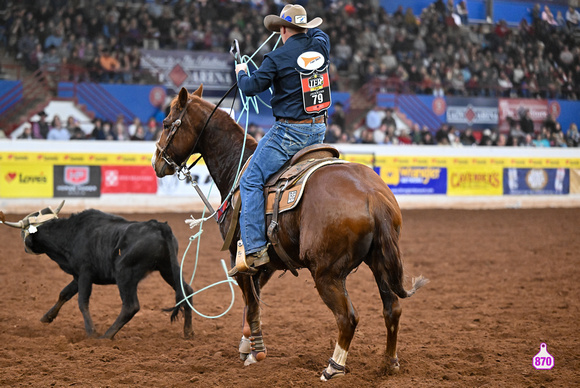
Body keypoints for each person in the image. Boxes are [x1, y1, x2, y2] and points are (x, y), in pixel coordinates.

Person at [229, 4, 329, 276]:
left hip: (289, 134)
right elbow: (319, 33)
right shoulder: (321, 45)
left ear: (282, 29)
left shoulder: (275, 58)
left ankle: (255, 249)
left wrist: (240, 69)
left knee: (250, 179)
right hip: (319, 131)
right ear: (305, 28)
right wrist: (306, 29)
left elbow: (249, 88)